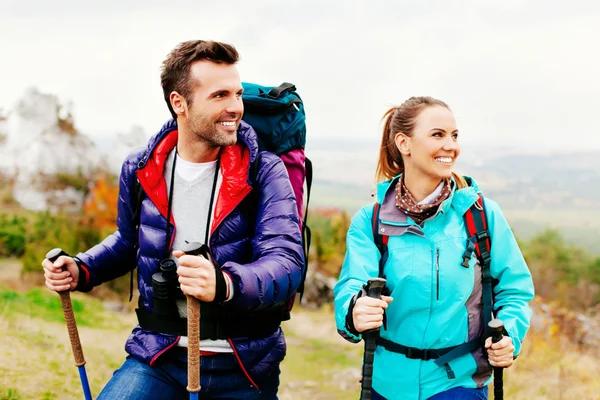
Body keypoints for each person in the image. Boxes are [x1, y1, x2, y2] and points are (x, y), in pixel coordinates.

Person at [41, 40, 304, 399]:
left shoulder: (264, 170)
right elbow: (129, 241)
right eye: (220, 96)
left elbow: (287, 263)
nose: (236, 108)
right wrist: (81, 268)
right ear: (179, 103)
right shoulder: (141, 168)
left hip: (244, 365)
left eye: (238, 94)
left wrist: (224, 283)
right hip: (159, 356)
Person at [334, 96, 535, 400]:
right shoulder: (371, 221)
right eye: (438, 135)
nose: (451, 146)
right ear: (404, 143)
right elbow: (351, 286)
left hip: (458, 385)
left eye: (454, 136)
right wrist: (354, 311)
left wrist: (508, 334)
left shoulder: (481, 216)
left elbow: (515, 291)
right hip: (386, 385)